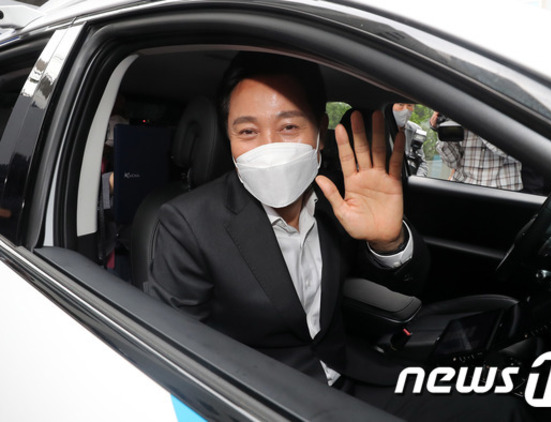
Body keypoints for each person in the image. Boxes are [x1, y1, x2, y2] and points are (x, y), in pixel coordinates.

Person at [146, 53, 530, 421]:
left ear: (320, 134)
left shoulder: (338, 200)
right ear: (229, 139)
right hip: (268, 399)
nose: (269, 147)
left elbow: (403, 283)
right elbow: (175, 354)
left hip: (351, 372)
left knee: (501, 409)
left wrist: (387, 242)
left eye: (289, 127)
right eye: (247, 131)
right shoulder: (188, 223)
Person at [431, 111, 523, 190]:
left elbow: (517, 152)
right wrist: (442, 129)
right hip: (463, 187)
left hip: (502, 190)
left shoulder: (509, 107)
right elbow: (452, 163)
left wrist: (476, 120)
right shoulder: (458, 108)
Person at [392, 103, 428, 177]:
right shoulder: (380, 130)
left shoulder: (416, 130)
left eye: (409, 105)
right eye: (401, 104)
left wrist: (416, 180)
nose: (406, 110)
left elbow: (422, 163)